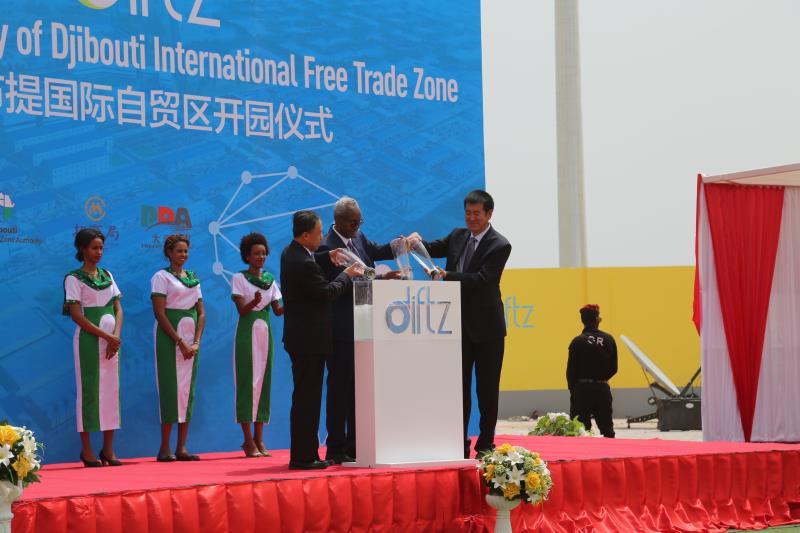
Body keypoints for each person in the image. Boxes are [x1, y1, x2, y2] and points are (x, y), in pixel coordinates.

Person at [410, 190, 512, 459]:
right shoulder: (457, 235)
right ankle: (459, 441)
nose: (471, 218)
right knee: (459, 388)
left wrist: (447, 275)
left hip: (488, 330)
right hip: (458, 327)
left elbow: (482, 279)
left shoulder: (500, 244)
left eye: (477, 213)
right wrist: (415, 241)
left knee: (487, 389)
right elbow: (431, 248)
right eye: (468, 213)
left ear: (489, 214)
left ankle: (486, 443)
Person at [317, 197, 401, 464]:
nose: (357, 226)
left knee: (359, 389)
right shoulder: (326, 247)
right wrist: (371, 278)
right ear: (339, 220)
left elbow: (377, 252)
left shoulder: (360, 238)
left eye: (359, 221)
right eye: (353, 222)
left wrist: (402, 244)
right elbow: (334, 287)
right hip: (340, 328)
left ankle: (356, 443)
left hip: (365, 326)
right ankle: (336, 447)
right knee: (339, 389)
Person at [280, 210, 359, 470]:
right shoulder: (303, 263)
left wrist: (328, 256)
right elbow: (327, 292)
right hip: (309, 341)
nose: (321, 237)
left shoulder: (292, 252)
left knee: (305, 398)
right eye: (317, 233)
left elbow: (314, 258)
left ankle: (305, 453)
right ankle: (304, 457)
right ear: (305, 235)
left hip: (302, 339)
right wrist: (347, 275)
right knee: (307, 401)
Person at [63, 228, 124, 467]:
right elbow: (76, 315)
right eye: (93, 248)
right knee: (89, 392)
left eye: (101, 248)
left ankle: (108, 449)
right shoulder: (73, 278)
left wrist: (115, 337)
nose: (98, 252)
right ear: (82, 249)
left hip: (111, 343)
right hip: (89, 342)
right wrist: (106, 337)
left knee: (111, 392)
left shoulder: (107, 274)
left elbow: (118, 308)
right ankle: (87, 450)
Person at [151, 234, 206, 462]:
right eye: (178, 251)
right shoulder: (160, 277)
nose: (183, 255)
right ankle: (165, 448)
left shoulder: (193, 278)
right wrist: (180, 342)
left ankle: (182, 447)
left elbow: (201, 312)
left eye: (186, 251)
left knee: (187, 392)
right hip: (169, 339)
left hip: (191, 340)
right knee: (170, 390)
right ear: (169, 253)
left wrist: (195, 342)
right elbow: (160, 313)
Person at [231, 232, 283, 458]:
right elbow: (242, 310)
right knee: (247, 383)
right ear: (247, 256)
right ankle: (247, 440)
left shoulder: (271, 280)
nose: (260, 257)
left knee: (263, 383)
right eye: (256, 254)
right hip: (246, 332)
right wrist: (253, 301)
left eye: (263, 253)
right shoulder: (239, 278)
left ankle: (260, 439)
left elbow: (278, 311)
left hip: (265, 332)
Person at [567, 304, 618, 438]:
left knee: (581, 431)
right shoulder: (608, 339)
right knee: (608, 430)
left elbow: (570, 371)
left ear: (582, 320)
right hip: (602, 389)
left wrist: (574, 390)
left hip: (581, 390)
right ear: (597, 319)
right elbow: (614, 368)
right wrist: (601, 380)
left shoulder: (577, 342)